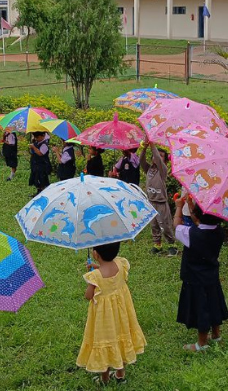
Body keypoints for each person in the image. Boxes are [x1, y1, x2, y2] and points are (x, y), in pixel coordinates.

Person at [76, 242, 146, 385]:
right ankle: (120, 374)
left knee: (105, 340)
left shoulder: (95, 277)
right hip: (122, 314)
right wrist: (97, 268)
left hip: (104, 319)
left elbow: (88, 296)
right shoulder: (120, 263)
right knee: (121, 337)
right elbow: (109, 271)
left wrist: (92, 276)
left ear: (95, 254)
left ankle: (105, 379)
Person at [174, 196, 228, 352]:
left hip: (195, 279)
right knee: (214, 304)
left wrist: (179, 207)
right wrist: (192, 206)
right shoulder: (219, 231)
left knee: (202, 309)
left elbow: (176, 225)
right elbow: (202, 222)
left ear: (196, 216)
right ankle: (216, 335)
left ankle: (201, 344)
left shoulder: (190, 234)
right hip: (211, 277)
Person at [141, 141, 177, 256]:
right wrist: (145, 148)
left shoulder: (163, 170)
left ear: (165, 161)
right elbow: (141, 160)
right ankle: (157, 245)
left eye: (161, 156)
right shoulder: (149, 169)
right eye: (157, 155)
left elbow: (157, 157)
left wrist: (152, 145)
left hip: (161, 202)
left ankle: (172, 245)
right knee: (154, 225)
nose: (157, 157)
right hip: (151, 202)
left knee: (165, 225)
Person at [28, 131, 51, 196]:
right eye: (35, 137)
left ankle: (43, 192)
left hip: (42, 164)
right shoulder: (37, 142)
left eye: (37, 137)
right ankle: (38, 191)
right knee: (36, 177)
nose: (36, 139)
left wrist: (34, 147)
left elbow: (40, 153)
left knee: (42, 178)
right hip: (35, 163)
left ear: (43, 135)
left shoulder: (44, 144)